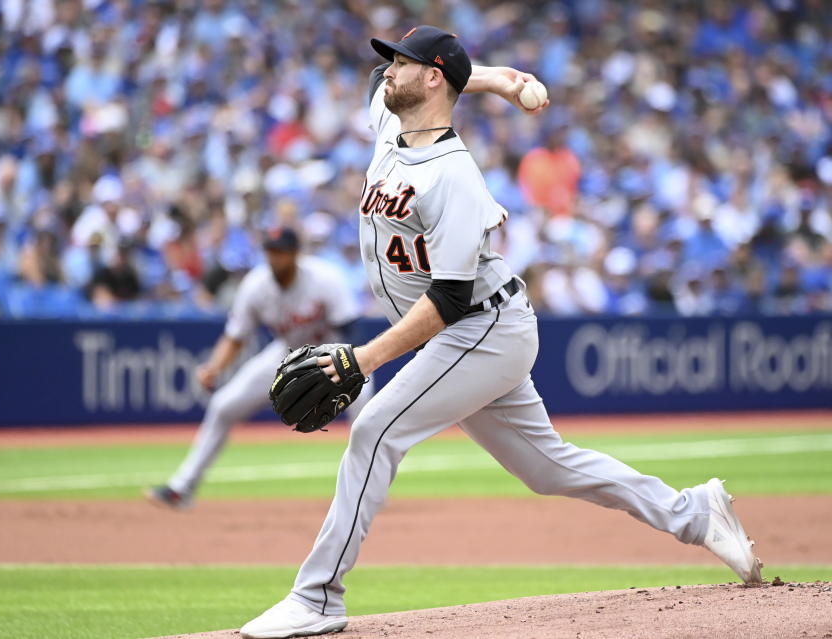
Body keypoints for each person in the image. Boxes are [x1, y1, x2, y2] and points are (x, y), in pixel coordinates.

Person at [239, 26, 762, 639]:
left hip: (482, 327)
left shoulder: (454, 176)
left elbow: (450, 298)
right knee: (548, 468)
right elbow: (389, 85)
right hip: (469, 333)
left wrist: (364, 361)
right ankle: (694, 513)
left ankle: (318, 597)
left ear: (431, 77)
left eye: (400, 64)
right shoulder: (391, 125)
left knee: (375, 431)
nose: (386, 73)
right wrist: (491, 79)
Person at [145, 227, 374, 510]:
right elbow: (236, 337)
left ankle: (369, 490)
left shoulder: (324, 278)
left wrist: (331, 373)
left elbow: (350, 330)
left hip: (335, 352)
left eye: (280, 252)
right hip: (287, 353)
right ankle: (182, 488)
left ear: (293, 254)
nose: (274, 258)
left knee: (365, 408)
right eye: (270, 251)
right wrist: (214, 367)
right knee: (222, 405)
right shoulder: (256, 285)